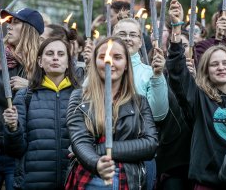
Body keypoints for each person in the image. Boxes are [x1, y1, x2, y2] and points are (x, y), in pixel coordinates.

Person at [65, 37, 158, 190]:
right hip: (91, 177)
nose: (110, 62)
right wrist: (96, 163)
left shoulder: (139, 102)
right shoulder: (79, 97)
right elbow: (79, 140)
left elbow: (150, 144)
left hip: (127, 179)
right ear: (95, 62)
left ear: (127, 64)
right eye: (103, 57)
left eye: (118, 57)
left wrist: (100, 149)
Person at [166, 0, 226, 189]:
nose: (221, 67)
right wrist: (176, 29)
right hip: (208, 181)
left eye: (225, 63)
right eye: (214, 64)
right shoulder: (199, 98)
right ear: (206, 70)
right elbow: (177, 73)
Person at [3, 38, 79, 190]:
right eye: (50, 53)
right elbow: (16, 149)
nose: (55, 57)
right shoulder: (25, 96)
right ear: (40, 61)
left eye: (61, 54)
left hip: (73, 181)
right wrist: (13, 128)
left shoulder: (81, 97)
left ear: (68, 62)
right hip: (33, 182)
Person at [112, 16, 168, 190]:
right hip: (103, 149)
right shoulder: (99, 69)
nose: (128, 38)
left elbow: (159, 114)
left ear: (140, 42)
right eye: (122, 34)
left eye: (133, 35)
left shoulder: (150, 73)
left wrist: (158, 76)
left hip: (139, 151)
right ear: (112, 37)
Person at [0, 8, 44, 190]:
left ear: (29, 30)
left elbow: (53, 100)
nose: (9, 26)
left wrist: (31, 86)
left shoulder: (41, 65)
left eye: (16, 23)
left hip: (19, 150)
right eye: (9, 22)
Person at [155, 30, 194, 190]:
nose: (181, 52)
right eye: (178, 47)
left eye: (185, 46)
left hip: (197, 163)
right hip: (173, 162)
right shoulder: (161, 79)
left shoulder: (205, 82)